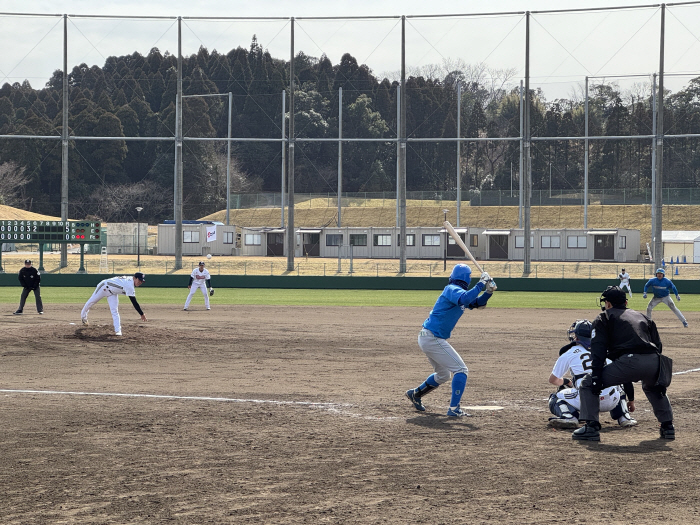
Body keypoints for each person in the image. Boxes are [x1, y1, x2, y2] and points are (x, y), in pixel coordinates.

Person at [572, 286, 674, 442]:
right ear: (626, 302)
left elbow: (597, 350)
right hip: (654, 360)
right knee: (654, 387)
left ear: (608, 304)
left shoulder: (604, 317)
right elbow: (658, 345)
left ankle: (591, 427)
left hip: (629, 362)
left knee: (587, 383)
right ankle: (668, 427)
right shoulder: (642, 316)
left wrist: (596, 377)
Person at [405, 264, 496, 417]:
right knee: (461, 370)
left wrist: (488, 291)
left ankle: (416, 394)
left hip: (428, 337)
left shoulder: (457, 291)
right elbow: (466, 298)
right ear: (467, 278)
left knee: (443, 375)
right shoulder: (452, 289)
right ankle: (454, 409)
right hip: (432, 337)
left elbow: (476, 303)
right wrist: (481, 283)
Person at [548, 319, 636, 429]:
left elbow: (553, 380)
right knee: (619, 384)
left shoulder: (569, 352)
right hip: (611, 400)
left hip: (586, 401)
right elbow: (625, 378)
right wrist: (631, 400)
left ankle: (569, 417)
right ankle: (624, 417)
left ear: (576, 336)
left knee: (555, 397)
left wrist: (566, 381)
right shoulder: (606, 350)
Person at [80, 272, 148, 336]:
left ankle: (118, 330)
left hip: (112, 293)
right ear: (134, 278)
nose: (140, 282)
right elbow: (134, 302)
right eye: (139, 280)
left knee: (114, 311)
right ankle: (83, 318)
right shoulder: (129, 285)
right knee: (90, 303)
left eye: (142, 281)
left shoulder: (130, 281)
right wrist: (141, 314)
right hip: (104, 287)